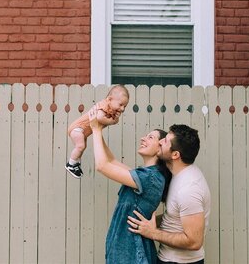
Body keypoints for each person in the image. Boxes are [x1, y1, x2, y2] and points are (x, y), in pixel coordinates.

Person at [89, 108, 172, 264]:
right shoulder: (145, 175)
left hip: (132, 254)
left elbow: (102, 166)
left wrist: (95, 129)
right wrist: (99, 128)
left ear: (160, 148)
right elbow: (111, 161)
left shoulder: (151, 178)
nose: (143, 138)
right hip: (125, 251)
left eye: (150, 137)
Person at [127, 124, 211, 264]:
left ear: (175, 154)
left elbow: (194, 242)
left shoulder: (189, 189)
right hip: (168, 259)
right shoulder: (177, 174)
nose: (160, 141)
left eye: (165, 141)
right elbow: (174, 219)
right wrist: (145, 222)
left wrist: (152, 233)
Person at [65, 85, 129, 178]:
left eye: (125, 106)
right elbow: (99, 118)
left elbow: (114, 120)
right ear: (109, 99)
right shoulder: (104, 105)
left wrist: (116, 118)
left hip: (83, 132)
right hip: (78, 128)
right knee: (80, 146)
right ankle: (71, 164)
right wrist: (112, 121)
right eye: (120, 105)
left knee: (82, 147)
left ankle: (75, 164)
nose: (122, 108)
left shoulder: (111, 108)